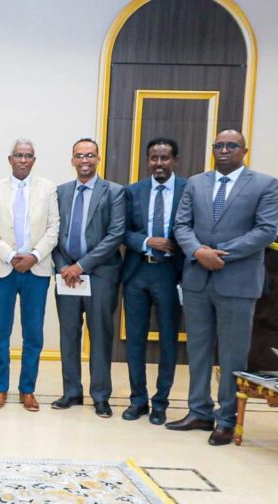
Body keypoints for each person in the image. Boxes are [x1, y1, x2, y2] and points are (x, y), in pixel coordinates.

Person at [169, 129, 278, 446]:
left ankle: (227, 418)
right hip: (197, 280)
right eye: (218, 145)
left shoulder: (264, 184)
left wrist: (220, 253)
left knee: (232, 355)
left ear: (244, 150)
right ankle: (198, 411)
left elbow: (266, 230)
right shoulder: (196, 182)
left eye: (231, 145)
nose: (224, 150)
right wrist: (197, 252)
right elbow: (181, 225)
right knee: (198, 349)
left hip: (237, 281)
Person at [0, 139, 59, 411]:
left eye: (28, 156)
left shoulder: (48, 189)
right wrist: (10, 256)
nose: (23, 160)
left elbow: (53, 229)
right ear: (10, 159)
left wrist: (34, 256)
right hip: (3, 268)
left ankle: (28, 390)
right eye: (18, 155)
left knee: (33, 333)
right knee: (1, 332)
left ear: (34, 160)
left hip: (36, 270)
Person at [51, 138, 125, 417]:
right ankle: (71, 392)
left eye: (90, 155)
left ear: (98, 159)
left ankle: (101, 395)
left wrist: (80, 266)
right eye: (79, 156)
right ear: (72, 160)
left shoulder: (114, 192)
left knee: (100, 336)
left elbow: (115, 235)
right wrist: (62, 267)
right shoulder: (60, 192)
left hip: (100, 275)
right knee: (69, 334)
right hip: (65, 275)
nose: (85, 160)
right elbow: (53, 232)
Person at [120, 137, 186, 425]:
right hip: (137, 273)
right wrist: (148, 241)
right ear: (148, 160)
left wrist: (171, 243)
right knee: (135, 340)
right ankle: (138, 400)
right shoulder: (134, 191)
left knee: (168, 341)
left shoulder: (188, 190)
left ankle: (160, 402)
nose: (159, 163)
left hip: (170, 274)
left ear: (174, 160)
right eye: (154, 158)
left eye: (164, 158)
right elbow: (122, 231)